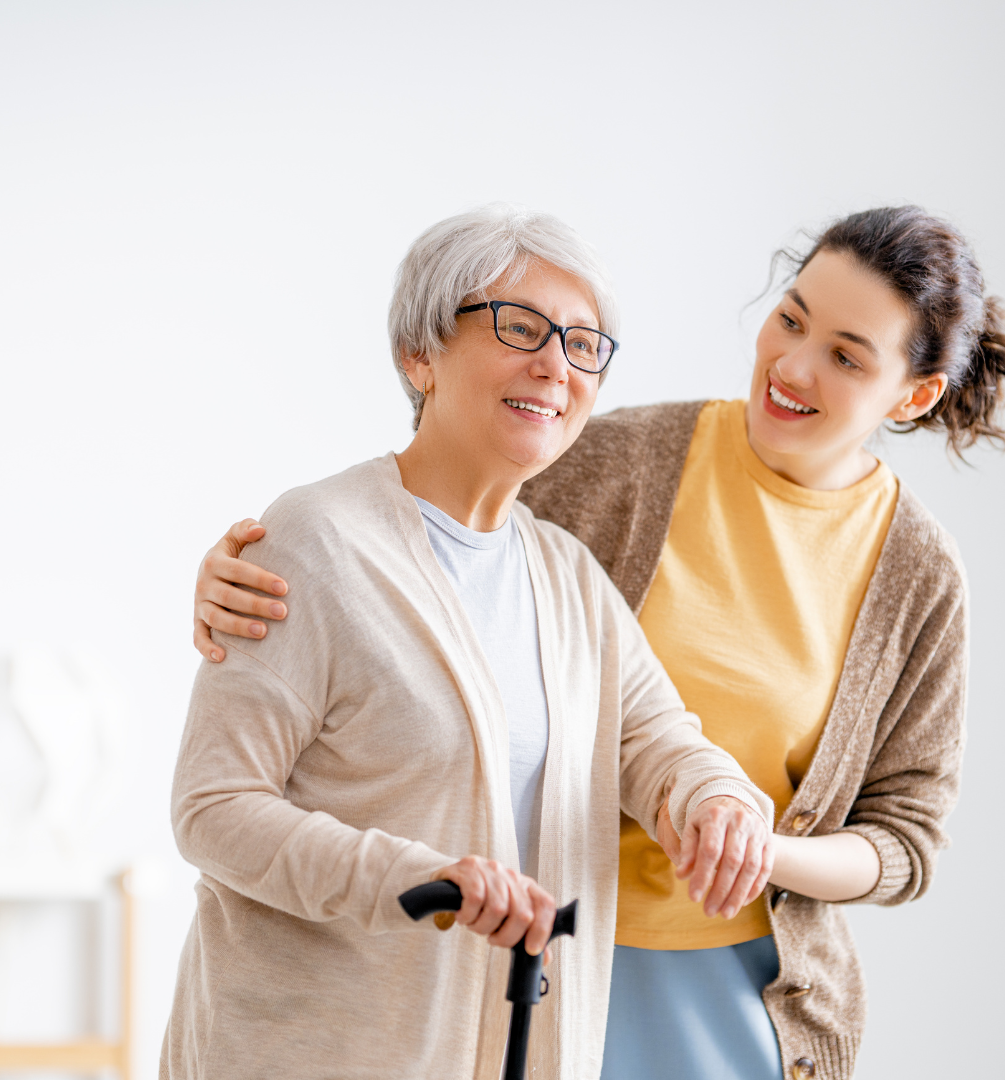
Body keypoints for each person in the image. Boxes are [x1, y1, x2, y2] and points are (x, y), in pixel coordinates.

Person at [192, 205, 1004, 1080]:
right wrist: (248, 565)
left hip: (657, 978)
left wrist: (733, 819)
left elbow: (658, 737)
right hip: (449, 977)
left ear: (914, 394)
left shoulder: (576, 572)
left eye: (847, 356)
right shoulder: (602, 458)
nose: (795, 364)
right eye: (792, 317)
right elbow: (401, 538)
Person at [162, 205, 774, 1080]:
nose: (555, 364)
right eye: (520, 327)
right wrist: (426, 880)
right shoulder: (315, 541)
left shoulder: (568, 579)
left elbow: (660, 742)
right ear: (421, 353)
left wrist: (719, 803)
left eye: (583, 344)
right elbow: (213, 807)